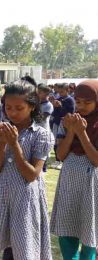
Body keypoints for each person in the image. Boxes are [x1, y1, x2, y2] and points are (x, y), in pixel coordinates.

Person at [0, 77, 54, 260]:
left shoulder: (41, 135)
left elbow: (31, 175)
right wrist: (1, 144)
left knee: (25, 248)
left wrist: (14, 145)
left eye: (19, 108)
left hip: (26, 200)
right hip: (3, 196)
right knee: (8, 248)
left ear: (32, 106)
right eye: (8, 107)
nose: (12, 113)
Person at [51, 80, 98, 260]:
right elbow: (61, 155)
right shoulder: (69, 120)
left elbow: (95, 160)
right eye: (78, 102)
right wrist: (71, 131)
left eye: (88, 103)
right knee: (67, 229)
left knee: (89, 231)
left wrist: (82, 133)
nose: (81, 107)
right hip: (69, 182)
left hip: (91, 184)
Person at [50, 83, 75, 170]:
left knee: (63, 141)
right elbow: (55, 113)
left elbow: (70, 112)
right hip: (57, 122)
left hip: (65, 124)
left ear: (67, 90)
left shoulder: (70, 100)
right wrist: (55, 106)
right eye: (59, 92)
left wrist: (61, 106)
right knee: (55, 142)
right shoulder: (59, 99)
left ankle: (63, 161)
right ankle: (57, 160)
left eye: (62, 92)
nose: (60, 94)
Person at [37, 84, 54, 173]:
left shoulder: (49, 105)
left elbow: (41, 118)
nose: (37, 94)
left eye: (39, 92)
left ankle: (43, 168)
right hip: (35, 130)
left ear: (46, 94)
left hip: (43, 130)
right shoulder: (36, 103)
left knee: (43, 151)